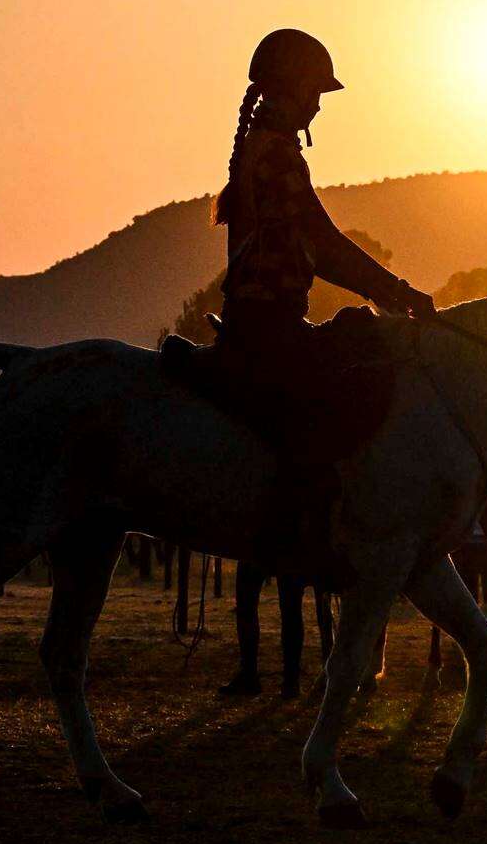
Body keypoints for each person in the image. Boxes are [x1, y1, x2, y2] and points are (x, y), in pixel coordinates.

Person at [168, 28, 437, 585]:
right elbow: (323, 243)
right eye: (315, 91)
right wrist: (396, 292)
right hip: (268, 326)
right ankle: (303, 537)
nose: (319, 103)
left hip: (265, 320)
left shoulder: (265, 146)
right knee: (338, 398)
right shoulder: (277, 154)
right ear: (291, 87)